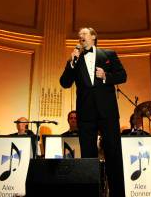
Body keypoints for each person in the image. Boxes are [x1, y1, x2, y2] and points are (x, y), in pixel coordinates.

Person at [60, 27, 127, 197]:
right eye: (79, 35)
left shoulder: (109, 54)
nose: (80, 36)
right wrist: (71, 63)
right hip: (86, 114)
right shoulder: (76, 59)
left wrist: (106, 76)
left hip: (108, 113)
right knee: (88, 157)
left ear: (93, 36)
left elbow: (122, 76)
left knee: (113, 154)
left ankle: (118, 194)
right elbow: (64, 83)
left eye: (83, 33)